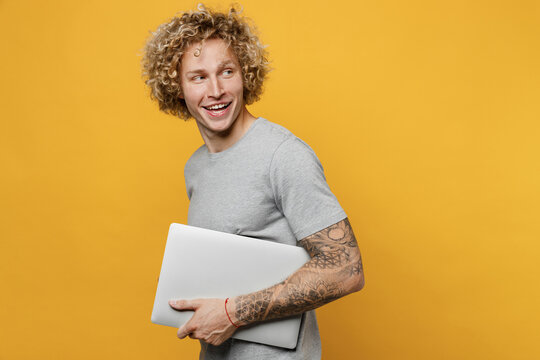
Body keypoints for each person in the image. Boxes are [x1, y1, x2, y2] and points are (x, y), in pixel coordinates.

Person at [140, 4, 364, 359]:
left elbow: (345, 268)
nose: (215, 90)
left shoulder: (283, 155)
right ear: (178, 88)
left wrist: (233, 313)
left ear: (245, 74)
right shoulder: (196, 167)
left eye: (226, 71)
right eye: (198, 77)